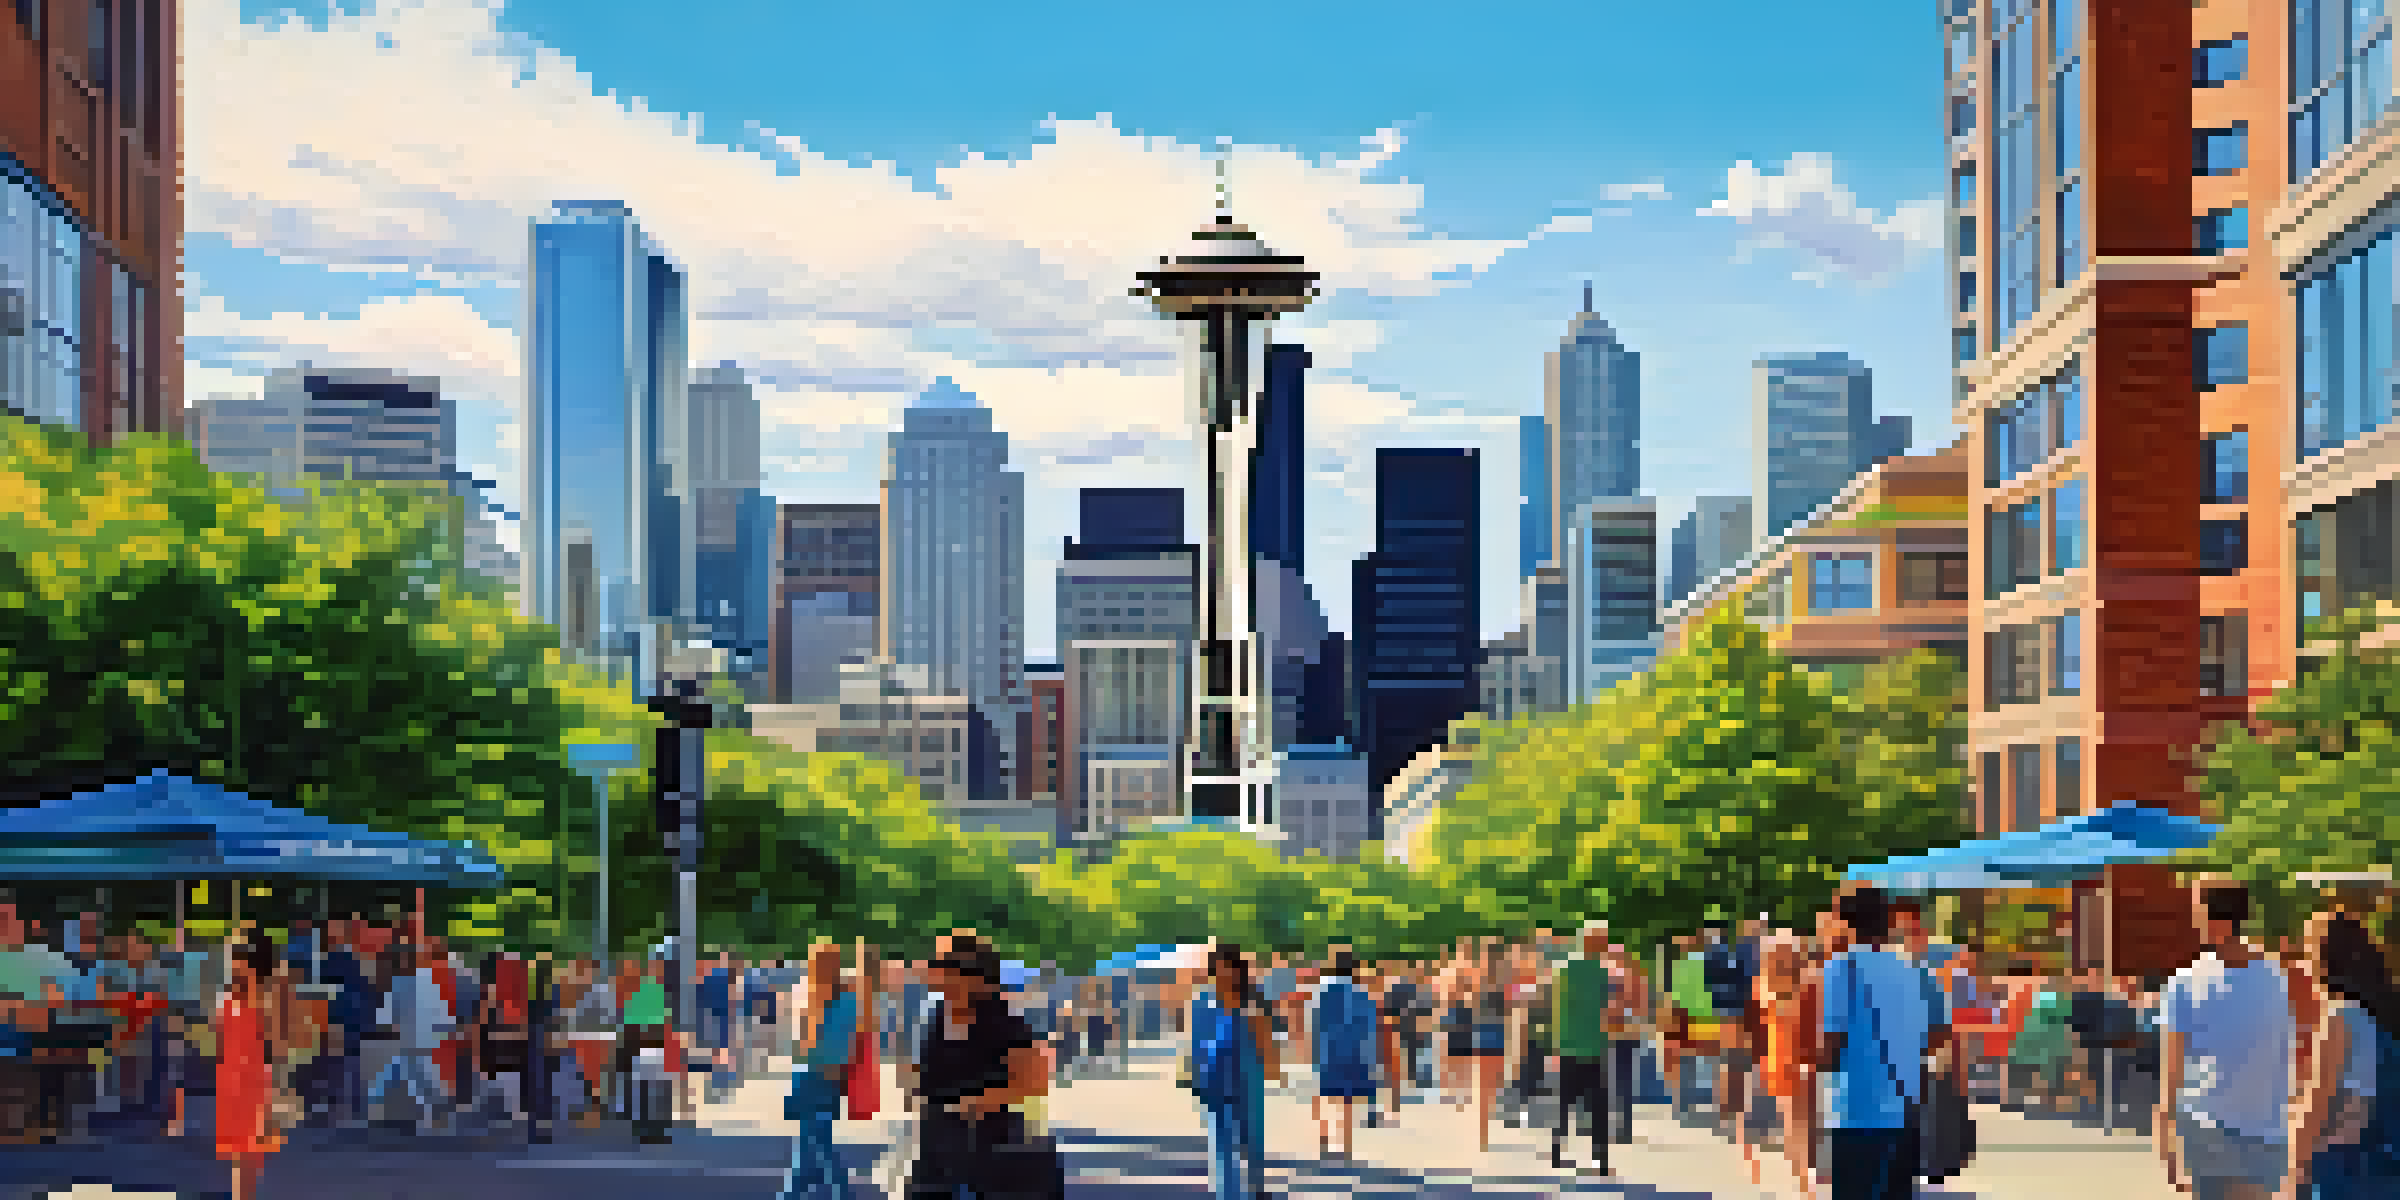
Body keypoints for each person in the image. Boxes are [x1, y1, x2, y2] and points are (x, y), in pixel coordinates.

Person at [2158, 880, 2293, 1200]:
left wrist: (2166, 1137)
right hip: (2267, 1127)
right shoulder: (2279, 978)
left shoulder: (2185, 982)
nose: (2193, 923)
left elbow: (2171, 1070)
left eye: (2197, 913)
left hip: (2208, 1124)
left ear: (2214, 922)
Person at [903, 932, 1056, 1200]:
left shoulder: (1003, 1019)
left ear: (971, 974)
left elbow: (1035, 1082)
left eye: (939, 964)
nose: (929, 970)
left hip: (997, 1152)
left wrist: (987, 1099)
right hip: (939, 1149)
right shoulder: (938, 1016)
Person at [1818, 886, 1947, 1200]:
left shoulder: (1840, 969)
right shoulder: (1917, 971)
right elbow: (1938, 1034)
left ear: (1844, 923)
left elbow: (1832, 1041)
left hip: (1856, 1110)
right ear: (1887, 923)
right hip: (1905, 1108)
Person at [2281, 910, 2400, 1199]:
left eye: (2307, 950)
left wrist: (2294, 1170)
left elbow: (2318, 1104)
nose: (2302, 962)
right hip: (2384, 1167)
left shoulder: (2340, 1016)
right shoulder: (2383, 1014)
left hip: (2342, 1170)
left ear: (2326, 960)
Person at [1188, 942, 1280, 1200]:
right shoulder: (1202, 1002)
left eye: (1229, 968)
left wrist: (1272, 1066)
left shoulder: (1252, 1002)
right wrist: (1195, 1077)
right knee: (1223, 1149)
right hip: (1215, 1082)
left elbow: (1266, 1041)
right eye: (1219, 969)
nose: (1224, 975)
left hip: (1248, 1080)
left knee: (1252, 1144)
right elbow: (1196, 1043)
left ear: (1238, 970)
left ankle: (1256, 1188)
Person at [779, 940, 858, 1200]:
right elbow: (801, 1041)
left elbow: (813, 1041)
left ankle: (840, 1193)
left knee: (818, 1142)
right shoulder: (829, 997)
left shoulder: (838, 999)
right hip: (812, 1074)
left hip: (822, 1075)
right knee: (807, 1140)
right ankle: (795, 1191)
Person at [217, 931, 289, 1200]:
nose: (232, 964)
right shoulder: (237, 995)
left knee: (247, 1154)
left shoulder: (263, 997)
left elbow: (278, 1043)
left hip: (249, 1080)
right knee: (242, 1154)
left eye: (236, 958)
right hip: (236, 1078)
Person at [1756, 932, 1820, 1195]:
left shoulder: (1772, 984)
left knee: (1798, 1115)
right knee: (1799, 1115)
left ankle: (1804, 1169)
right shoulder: (1803, 982)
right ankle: (1805, 1171)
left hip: (1792, 1055)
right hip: (1791, 1056)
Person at [1551, 921, 1616, 1175]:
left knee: (1565, 1104)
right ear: (1591, 941)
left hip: (1573, 1047)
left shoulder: (1565, 968)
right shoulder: (1600, 972)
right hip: (1590, 1047)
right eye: (1602, 939)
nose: (1606, 944)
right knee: (1597, 1106)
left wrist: (1556, 1042)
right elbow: (1606, 1010)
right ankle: (1599, 1159)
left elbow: (1558, 1009)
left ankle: (1560, 1154)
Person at [1310, 947, 1377, 1159]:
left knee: (1323, 1095)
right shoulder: (1361, 992)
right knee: (1347, 1099)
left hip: (1328, 1048)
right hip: (1353, 1050)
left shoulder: (1323, 990)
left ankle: (1323, 1139)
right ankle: (1345, 1145)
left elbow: (1314, 1020)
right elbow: (1369, 1026)